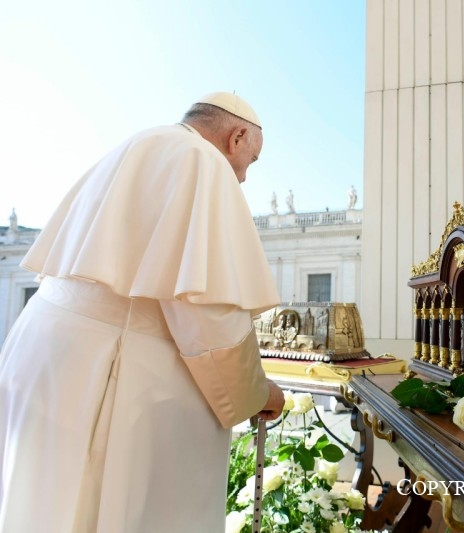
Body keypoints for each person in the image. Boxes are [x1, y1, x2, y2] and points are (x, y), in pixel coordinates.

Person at [0, 92, 286, 532]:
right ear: (237, 137)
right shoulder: (203, 161)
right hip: (110, 370)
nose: (244, 177)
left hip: (41, 352)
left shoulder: (133, 146)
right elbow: (207, 317)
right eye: (251, 159)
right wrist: (256, 392)